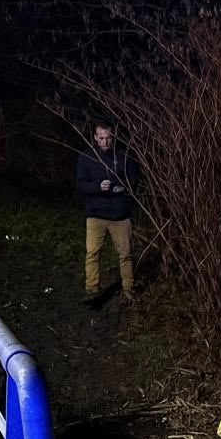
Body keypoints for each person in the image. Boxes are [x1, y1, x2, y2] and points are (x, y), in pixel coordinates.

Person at [75, 121, 139, 304]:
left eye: (108, 137)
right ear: (95, 138)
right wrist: (97, 187)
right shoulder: (86, 157)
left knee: (125, 253)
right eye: (101, 138)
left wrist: (123, 187)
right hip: (95, 215)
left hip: (120, 215)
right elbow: (80, 185)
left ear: (113, 137)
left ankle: (128, 289)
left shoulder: (123, 157)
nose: (105, 142)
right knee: (92, 253)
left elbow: (134, 179)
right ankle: (92, 289)